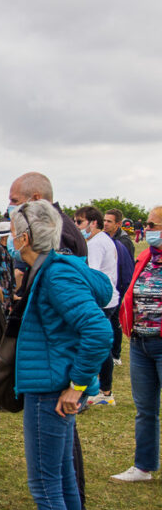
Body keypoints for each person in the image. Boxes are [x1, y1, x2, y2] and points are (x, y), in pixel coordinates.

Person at [0, 199, 112, 510]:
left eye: (13, 231)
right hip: (50, 386)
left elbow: (97, 330)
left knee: (46, 485)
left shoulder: (57, 276)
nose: (10, 239)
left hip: (53, 392)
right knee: (62, 483)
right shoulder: (53, 269)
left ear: (26, 237)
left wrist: (78, 385)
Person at [7, 172, 91, 510]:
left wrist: (78, 384)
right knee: (59, 478)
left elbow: (92, 325)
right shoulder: (51, 258)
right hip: (52, 369)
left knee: (50, 480)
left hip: (54, 375)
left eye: (14, 202)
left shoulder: (56, 261)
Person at [112, 206, 162, 483]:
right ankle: (143, 466)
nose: (149, 229)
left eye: (154, 225)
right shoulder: (146, 257)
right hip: (141, 343)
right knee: (145, 410)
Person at [74, 206, 120, 406]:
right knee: (101, 345)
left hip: (101, 300)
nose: (76, 226)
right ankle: (104, 389)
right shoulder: (101, 240)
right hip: (108, 298)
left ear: (93, 223)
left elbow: (91, 274)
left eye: (79, 222)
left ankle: (104, 390)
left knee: (99, 346)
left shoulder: (95, 244)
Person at [104, 208, 135, 367]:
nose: (105, 224)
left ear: (118, 224)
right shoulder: (106, 238)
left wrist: (122, 288)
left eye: (109, 221)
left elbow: (126, 266)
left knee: (115, 320)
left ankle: (115, 354)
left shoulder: (124, 241)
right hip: (110, 285)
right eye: (104, 220)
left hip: (118, 286)